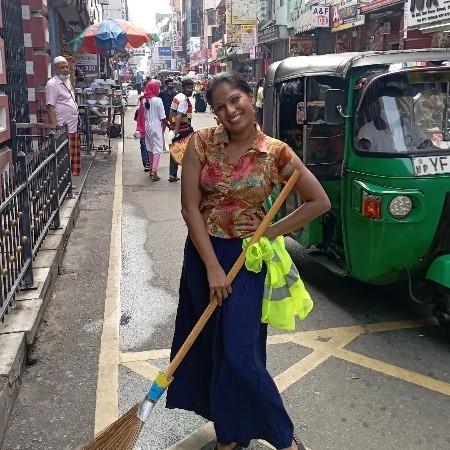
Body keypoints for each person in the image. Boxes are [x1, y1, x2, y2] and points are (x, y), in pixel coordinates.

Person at [166, 73, 331, 450]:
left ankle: (283, 437)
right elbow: (190, 208)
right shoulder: (201, 144)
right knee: (211, 348)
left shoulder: (275, 153)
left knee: (240, 354)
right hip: (203, 255)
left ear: (250, 99)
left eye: (235, 99)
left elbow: (318, 201)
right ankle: (230, 435)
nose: (230, 110)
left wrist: (273, 230)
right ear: (214, 113)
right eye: (220, 106)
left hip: (247, 260)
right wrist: (211, 267)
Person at [357, 91, 434, 152]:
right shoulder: (368, 129)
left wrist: (428, 146)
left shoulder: (410, 126)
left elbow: (424, 143)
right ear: (379, 108)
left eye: (395, 104)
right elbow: (362, 149)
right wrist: (364, 146)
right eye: (388, 105)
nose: (392, 108)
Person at [45, 56, 80, 183]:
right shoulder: (52, 84)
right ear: (55, 69)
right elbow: (50, 106)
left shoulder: (67, 81)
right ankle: (63, 184)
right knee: (64, 159)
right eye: (62, 67)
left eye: (66, 66)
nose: (65, 69)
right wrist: (55, 125)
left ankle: (69, 183)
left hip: (73, 126)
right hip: (62, 127)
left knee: (71, 157)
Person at [136, 80, 167, 181]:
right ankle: (154, 171)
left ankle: (150, 170)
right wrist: (168, 127)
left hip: (146, 125)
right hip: (156, 124)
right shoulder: (158, 100)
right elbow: (162, 117)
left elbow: (142, 115)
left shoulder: (144, 100)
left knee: (149, 147)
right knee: (157, 148)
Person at [167, 77, 195, 182]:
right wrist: (176, 130)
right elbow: (178, 116)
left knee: (174, 150)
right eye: (188, 87)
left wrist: (171, 126)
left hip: (178, 128)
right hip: (183, 130)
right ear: (183, 87)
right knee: (189, 152)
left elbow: (171, 112)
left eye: (192, 87)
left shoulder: (177, 97)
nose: (191, 89)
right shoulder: (184, 100)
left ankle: (172, 174)